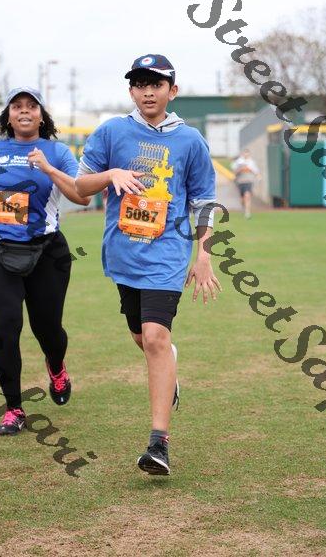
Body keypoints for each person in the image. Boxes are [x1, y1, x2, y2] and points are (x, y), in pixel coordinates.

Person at [75, 54, 221, 475]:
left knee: (155, 336)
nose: (147, 92)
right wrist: (111, 175)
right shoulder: (111, 131)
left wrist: (204, 255)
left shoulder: (190, 140)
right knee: (143, 338)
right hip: (123, 255)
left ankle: (159, 444)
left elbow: (204, 202)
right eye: (139, 84)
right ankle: (168, 365)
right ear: (131, 91)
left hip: (167, 255)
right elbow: (80, 187)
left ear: (172, 91)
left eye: (156, 84)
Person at [0, 87, 90, 435]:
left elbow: (81, 195)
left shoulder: (57, 151)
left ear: (41, 116)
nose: (25, 111)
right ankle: (14, 409)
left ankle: (56, 366)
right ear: (9, 115)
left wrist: (47, 167)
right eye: (17, 106)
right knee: (5, 328)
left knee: (48, 329)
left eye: (32, 106)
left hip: (47, 252)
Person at [232, 148, 260, 218]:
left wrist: (258, 177)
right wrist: (241, 169)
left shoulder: (251, 162)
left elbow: (256, 171)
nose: (246, 155)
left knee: (247, 195)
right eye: (245, 153)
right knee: (242, 198)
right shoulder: (238, 162)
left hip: (249, 181)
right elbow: (234, 171)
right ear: (243, 154)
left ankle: (247, 212)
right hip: (240, 181)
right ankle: (244, 207)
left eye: (247, 153)